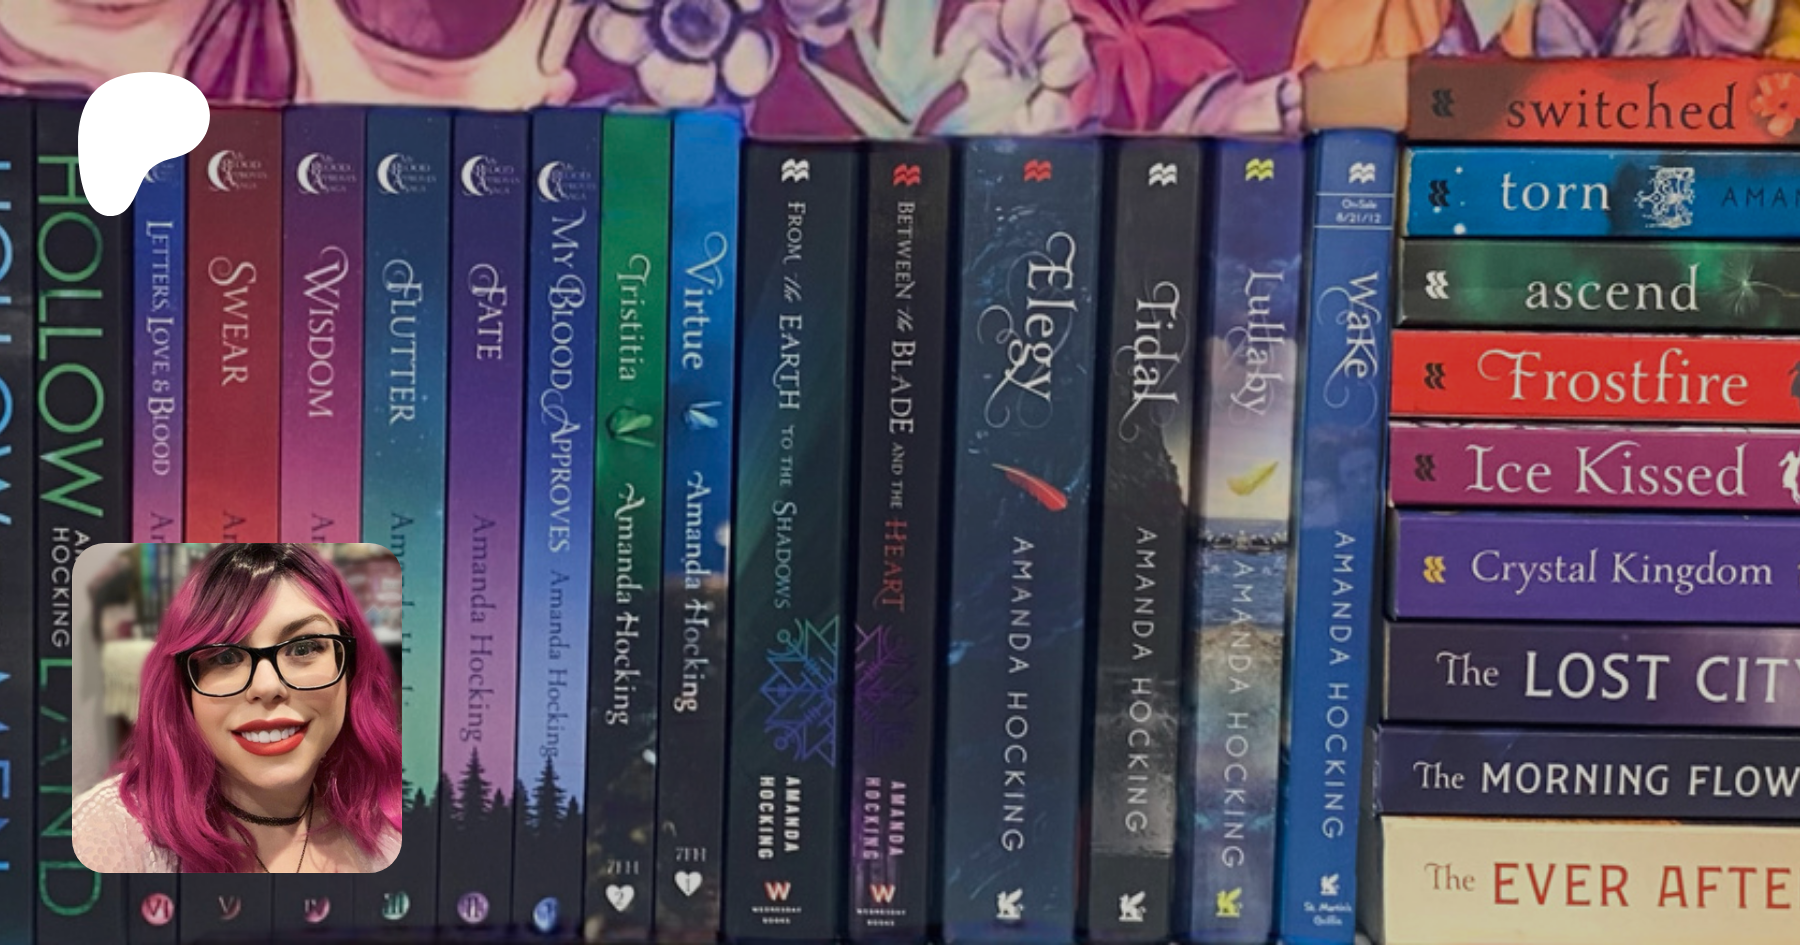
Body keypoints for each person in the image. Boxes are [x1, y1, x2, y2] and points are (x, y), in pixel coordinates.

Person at [73, 544, 402, 873]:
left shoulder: (390, 836)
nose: (267, 687)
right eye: (225, 657)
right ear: (183, 688)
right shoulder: (104, 838)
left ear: (351, 668)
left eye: (303, 648)